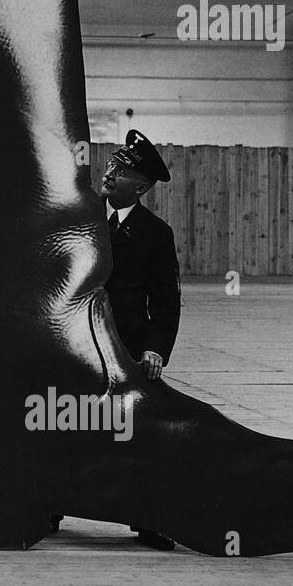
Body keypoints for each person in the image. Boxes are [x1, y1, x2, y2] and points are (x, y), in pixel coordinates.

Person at [98, 128, 182, 550]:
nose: (110, 172)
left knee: (139, 432)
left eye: (122, 169)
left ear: (142, 187)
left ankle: (147, 518)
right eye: (112, 163)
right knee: (58, 420)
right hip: (72, 340)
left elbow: (166, 303)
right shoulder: (79, 219)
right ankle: (50, 506)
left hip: (127, 349)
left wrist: (155, 349)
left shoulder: (156, 234)